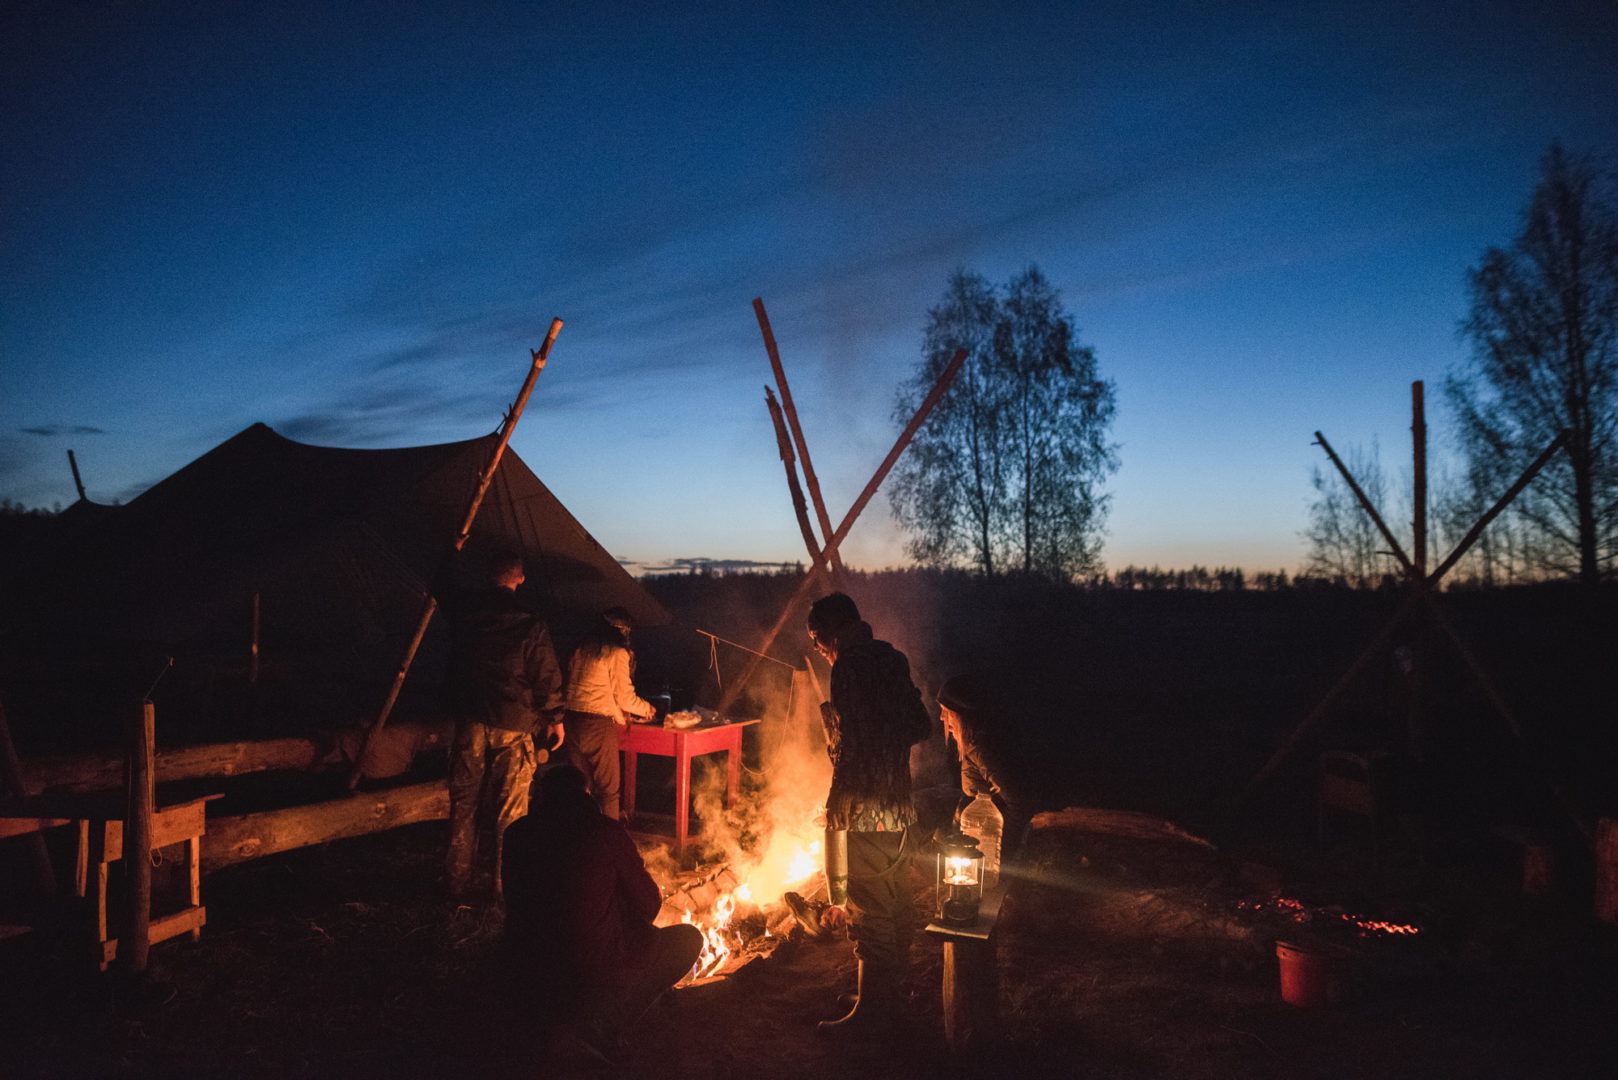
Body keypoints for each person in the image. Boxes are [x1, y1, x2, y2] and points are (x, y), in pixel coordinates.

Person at [501, 765, 703, 1063]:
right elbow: (649, 905)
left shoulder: (516, 833)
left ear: (542, 796)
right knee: (687, 940)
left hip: (528, 965)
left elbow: (514, 901)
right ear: (586, 794)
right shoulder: (605, 832)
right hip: (587, 970)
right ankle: (604, 1024)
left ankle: (548, 1017)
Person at [806, 591, 932, 1035]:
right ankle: (888, 999)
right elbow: (921, 725)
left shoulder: (849, 666)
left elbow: (855, 742)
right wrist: (885, 732)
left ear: (832, 630)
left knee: (868, 909)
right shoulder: (890, 659)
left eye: (817, 636)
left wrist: (839, 796)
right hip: (900, 806)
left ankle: (872, 1018)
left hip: (864, 810)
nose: (818, 647)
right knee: (895, 901)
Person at [442, 550, 565, 901]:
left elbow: (442, 588)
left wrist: (454, 551)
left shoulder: (467, 612)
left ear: (487, 575)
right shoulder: (530, 622)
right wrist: (555, 719)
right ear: (520, 579)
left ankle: (455, 885)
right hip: (514, 724)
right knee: (510, 814)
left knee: (463, 805)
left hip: (471, 721)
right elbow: (546, 674)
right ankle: (502, 891)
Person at [563, 607, 655, 819]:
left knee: (580, 789)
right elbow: (623, 696)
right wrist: (646, 709)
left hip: (572, 722)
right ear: (622, 630)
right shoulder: (616, 652)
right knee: (608, 791)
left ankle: (580, 841)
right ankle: (609, 844)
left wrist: (621, 716)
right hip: (597, 725)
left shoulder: (581, 649)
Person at [937, 672, 1036, 861]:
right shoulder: (977, 743)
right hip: (974, 843)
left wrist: (998, 847)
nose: (942, 718)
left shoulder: (983, 747)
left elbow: (1019, 803)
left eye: (947, 711)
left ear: (963, 711)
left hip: (982, 849)